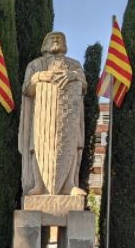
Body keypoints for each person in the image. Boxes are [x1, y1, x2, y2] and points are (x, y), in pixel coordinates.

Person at [19, 31, 87, 196]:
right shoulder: (36, 65)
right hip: (43, 115)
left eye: (60, 38)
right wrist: (40, 76)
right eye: (52, 38)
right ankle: (39, 185)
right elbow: (26, 89)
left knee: (70, 145)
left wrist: (73, 76)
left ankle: (69, 185)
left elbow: (83, 85)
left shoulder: (74, 65)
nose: (56, 40)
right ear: (45, 45)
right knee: (37, 146)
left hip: (68, 117)